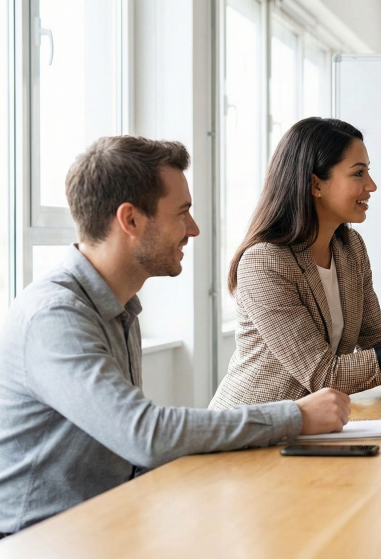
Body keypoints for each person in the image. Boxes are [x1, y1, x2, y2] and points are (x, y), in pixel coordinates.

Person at [0, 136, 351, 536]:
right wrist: (295, 416)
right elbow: (144, 434)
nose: (194, 229)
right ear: (130, 220)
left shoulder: (119, 306)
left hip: (113, 521)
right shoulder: (56, 317)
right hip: (42, 541)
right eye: (182, 212)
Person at [210, 118, 381, 410]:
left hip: (312, 429)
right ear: (315, 184)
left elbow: (378, 347)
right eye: (358, 173)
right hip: (250, 427)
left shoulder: (350, 249)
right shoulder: (265, 262)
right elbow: (322, 375)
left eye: (368, 171)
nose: (371, 185)